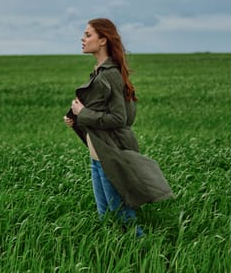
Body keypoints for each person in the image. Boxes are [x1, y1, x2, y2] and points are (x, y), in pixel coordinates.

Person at [64, 18, 173, 238]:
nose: (82, 39)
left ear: (103, 40)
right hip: (97, 158)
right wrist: (76, 119)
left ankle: (146, 254)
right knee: (106, 216)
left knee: (122, 215)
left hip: (108, 157)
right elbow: (101, 111)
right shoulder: (99, 72)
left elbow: (118, 118)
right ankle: (116, 257)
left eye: (88, 35)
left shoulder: (110, 74)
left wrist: (82, 114)